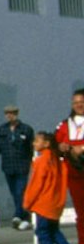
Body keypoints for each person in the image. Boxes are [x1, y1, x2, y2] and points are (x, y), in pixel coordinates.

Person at [24, 131, 78, 244]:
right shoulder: (57, 161)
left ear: (46, 144)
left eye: (37, 141)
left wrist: (27, 203)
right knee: (54, 230)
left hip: (43, 203)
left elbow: (36, 185)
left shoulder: (41, 161)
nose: (34, 143)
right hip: (56, 202)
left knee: (42, 232)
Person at [0, 105, 36, 230]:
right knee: (15, 193)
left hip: (22, 166)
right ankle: (25, 217)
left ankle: (18, 215)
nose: (9, 115)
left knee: (21, 191)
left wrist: (33, 162)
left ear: (17, 113)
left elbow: (33, 147)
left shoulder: (26, 129)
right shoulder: (2, 129)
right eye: (7, 113)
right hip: (8, 166)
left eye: (12, 113)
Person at [55, 90, 84, 226]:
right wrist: (61, 146)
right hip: (74, 172)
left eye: (81, 102)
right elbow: (55, 142)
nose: (79, 105)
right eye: (76, 102)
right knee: (81, 210)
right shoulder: (65, 124)